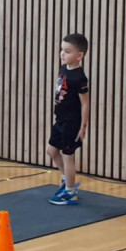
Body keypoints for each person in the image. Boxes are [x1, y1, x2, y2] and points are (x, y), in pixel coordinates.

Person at [47, 33, 90, 205]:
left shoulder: (79, 78)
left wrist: (83, 126)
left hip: (72, 122)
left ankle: (71, 192)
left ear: (79, 56)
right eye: (62, 50)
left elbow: (85, 104)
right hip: (60, 119)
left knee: (67, 155)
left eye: (67, 51)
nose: (62, 54)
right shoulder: (63, 69)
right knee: (52, 151)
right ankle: (67, 179)